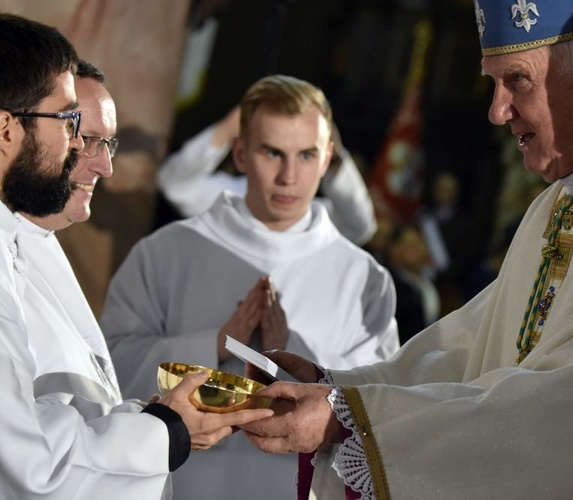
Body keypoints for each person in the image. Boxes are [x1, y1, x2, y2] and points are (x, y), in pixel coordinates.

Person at [239, 2, 573, 498]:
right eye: (493, 83)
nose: (497, 110)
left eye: (517, 81)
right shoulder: (562, 197)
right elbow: (474, 345)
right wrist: (341, 391)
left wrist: (354, 422)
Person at [0, 13, 272, 499]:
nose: (82, 149)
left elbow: (56, 412)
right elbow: (25, 472)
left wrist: (149, 421)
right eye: (70, 122)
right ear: (4, 131)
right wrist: (167, 431)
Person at [101, 74, 399, 499]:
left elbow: (377, 403)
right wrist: (213, 345)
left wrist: (293, 353)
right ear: (240, 153)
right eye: (272, 153)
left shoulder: (364, 278)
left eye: (307, 155)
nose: (289, 176)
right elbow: (108, 368)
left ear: (328, 157)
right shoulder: (167, 251)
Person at [157, 104, 378, 246]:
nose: (287, 168)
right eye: (274, 152)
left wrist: (336, 158)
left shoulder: (311, 215)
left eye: (302, 154)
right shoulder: (233, 197)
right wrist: (232, 124)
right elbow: (175, 184)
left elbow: (359, 226)